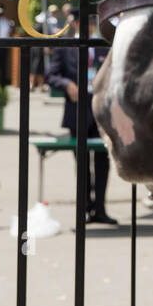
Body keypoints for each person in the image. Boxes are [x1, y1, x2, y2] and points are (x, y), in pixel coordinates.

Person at [46, 14, 115, 224]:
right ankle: (84, 207)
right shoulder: (66, 47)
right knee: (82, 163)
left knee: (103, 162)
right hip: (78, 112)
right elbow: (51, 75)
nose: (91, 27)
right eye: (86, 23)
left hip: (101, 112)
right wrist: (67, 84)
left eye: (93, 23)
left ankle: (100, 209)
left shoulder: (103, 46)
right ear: (76, 24)